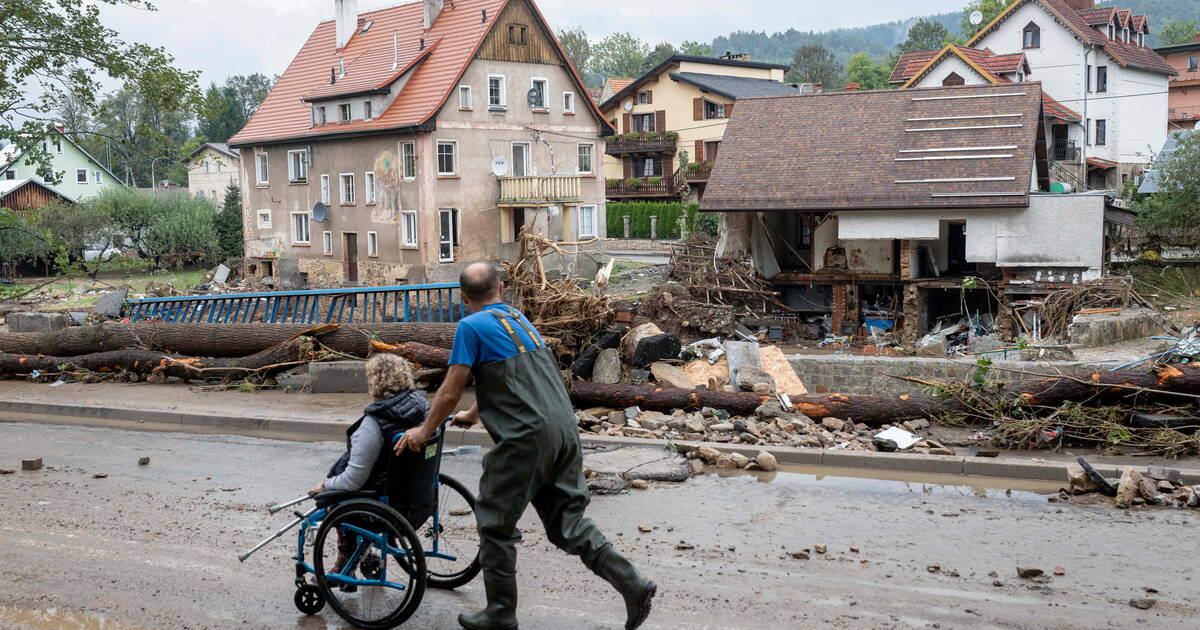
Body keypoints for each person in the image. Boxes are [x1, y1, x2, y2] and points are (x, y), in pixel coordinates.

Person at [396, 262, 656, 630]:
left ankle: (500, 613)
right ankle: (633, 583)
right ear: (500, 290)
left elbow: (450, 389)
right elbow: (513, 378)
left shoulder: (470, 327)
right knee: (568, 523)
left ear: (463, 297)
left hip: (526, 438)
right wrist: (474, 412)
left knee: (495, 522)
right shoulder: (517, 319)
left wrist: (423, 431)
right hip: (563, 429)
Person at [309, 353, 429, 582]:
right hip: (416, 496)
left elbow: (354, 480)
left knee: (332, 502)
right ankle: (363, 553)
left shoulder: (373, 423)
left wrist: (326, 485)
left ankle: (346, 560)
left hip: (381, 503)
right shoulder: (422, 406)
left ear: (376, 381)